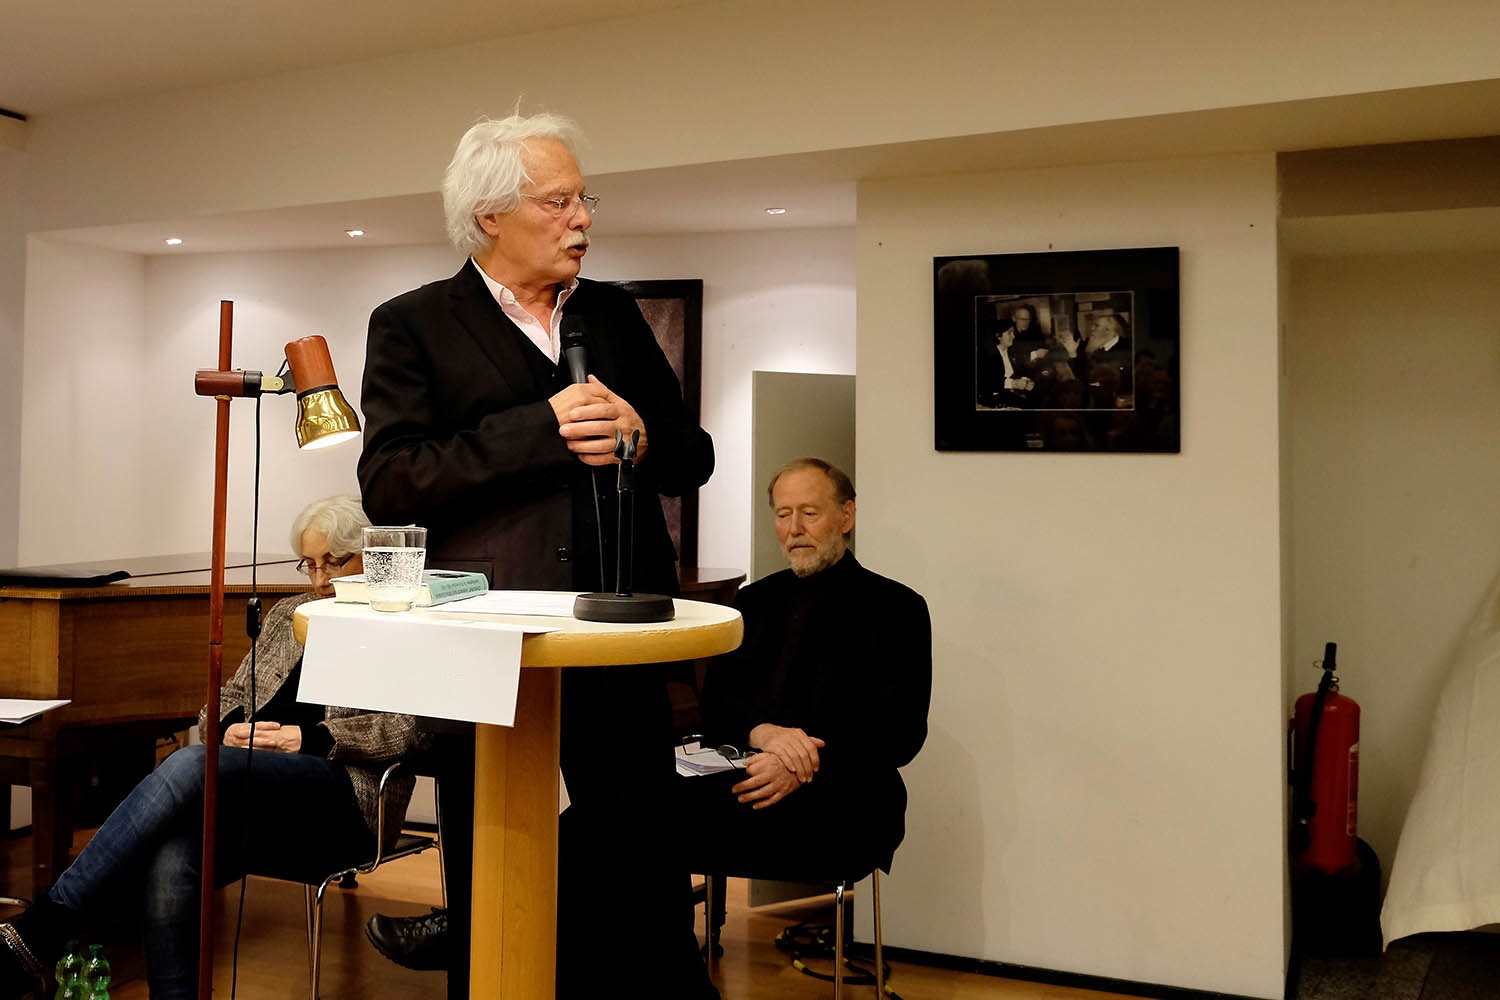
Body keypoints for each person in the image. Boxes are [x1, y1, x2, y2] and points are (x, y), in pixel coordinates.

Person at [355, 111, 716, 998]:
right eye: (558, 202)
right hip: (491, 651)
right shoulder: (412, 324)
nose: (581, 220)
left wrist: (640, 437)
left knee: (640, 880)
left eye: (583, 200)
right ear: (490, 215)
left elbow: (692, 456)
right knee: (500, 887)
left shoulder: (614, 314)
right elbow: (391, 483)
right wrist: (537, 428)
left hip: (618, 639)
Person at [0, 495, 419, 1000]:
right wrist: (230, 727)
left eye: (333, 562)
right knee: (175, 855)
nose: (319, 579)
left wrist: (309, 738)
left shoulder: (398, 621)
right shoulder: (290, 615)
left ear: (370, 557)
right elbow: (225, 697)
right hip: (260, 785)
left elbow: (411, 729)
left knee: (195, 763)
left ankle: (43, 928)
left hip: (345, 799)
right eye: (309, 564)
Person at [680, 458, 931, 940]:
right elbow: (716, 707)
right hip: (748, 777)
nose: (794, 529)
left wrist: (800, 761)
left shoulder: (898, 608)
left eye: (809, 513)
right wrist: (766, 734)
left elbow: (901, 735)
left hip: (844, 792)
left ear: (846, 516)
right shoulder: (752, 603)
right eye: (783, 513)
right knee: (619, 819)